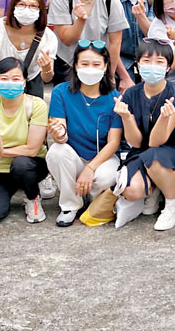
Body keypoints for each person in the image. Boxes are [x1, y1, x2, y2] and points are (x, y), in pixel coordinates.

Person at [116, 40, 175, 231]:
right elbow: (135, 142)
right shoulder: (131, 94)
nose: (152, 66)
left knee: (155, 157)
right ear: (137, 64)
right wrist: (127, 118)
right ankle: (156, 189)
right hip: (142, 150)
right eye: (146, 60)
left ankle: (172, 205)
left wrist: (163, 118)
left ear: (168, 67)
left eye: (159, 61)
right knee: (132, 190)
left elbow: (156, 142)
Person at [45, 40, 123, 227]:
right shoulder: (61, 92)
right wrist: (59, 134)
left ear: (105, 66)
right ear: (76, 65)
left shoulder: (114, 98)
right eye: (84, 64)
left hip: (103, 159)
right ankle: (70, 205)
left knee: (106, 176)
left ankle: (93, 198)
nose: (90, 69)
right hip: (75, 158)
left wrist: (90, 169)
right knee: (56, 152)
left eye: (96, 64)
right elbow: (60, 131)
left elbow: (113, 142)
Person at [0, 57, 49, 225]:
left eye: (16, 79)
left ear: (24, 82)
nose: (10, 83)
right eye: (4, 78)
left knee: (21, 164)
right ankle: (12, 188)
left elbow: (32, 149)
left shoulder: (36, 105)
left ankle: (32, 197)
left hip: (30, 165)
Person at [48, 0, 131, 89]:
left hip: (98, 63)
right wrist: (81, 20)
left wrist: (110, 75)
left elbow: (115, 42)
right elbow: (67, 40)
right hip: (68, 64)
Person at [109, 0, 153, 82]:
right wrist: (124, 77)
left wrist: (141, 17)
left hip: (150, 58)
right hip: (120, 60)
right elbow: (110, 41)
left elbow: (154, 34)